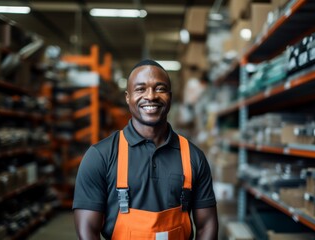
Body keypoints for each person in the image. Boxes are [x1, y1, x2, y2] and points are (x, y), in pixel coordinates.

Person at [73, 59, 218, 240]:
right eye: (140, 89)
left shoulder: (193, 157)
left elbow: (207, 224)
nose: (151, 96)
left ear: (170, 96)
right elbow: (87, 230)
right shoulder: (100, 156)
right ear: (128, 97)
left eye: (160, 88)